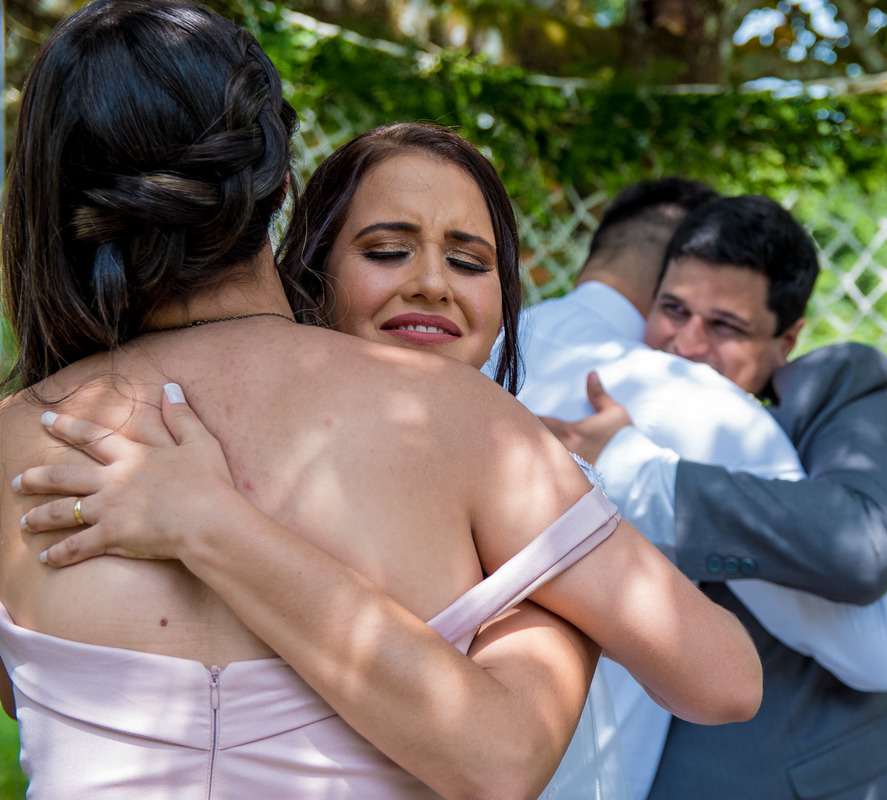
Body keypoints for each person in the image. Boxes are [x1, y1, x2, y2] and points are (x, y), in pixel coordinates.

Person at [0, 4, 761, 798]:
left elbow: (36, 699)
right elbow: (720, 681)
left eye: (468, 260)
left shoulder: (18, 443)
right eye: (389, 250)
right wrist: (543, 604)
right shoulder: (463, 424)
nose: (429, 282)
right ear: (280, 182)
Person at [549, 192, 887, 798]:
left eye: (726, 326)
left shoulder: (841, 385)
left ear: (787, 340)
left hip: (871, 765)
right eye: (673, 309)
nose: (687, 344)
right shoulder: (622, 387)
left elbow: (866, 546)